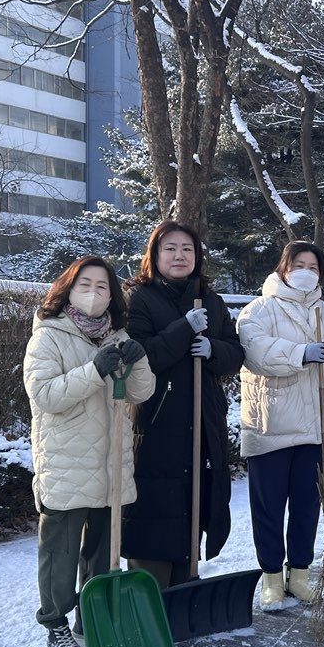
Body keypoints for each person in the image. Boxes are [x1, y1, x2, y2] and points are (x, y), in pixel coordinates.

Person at [23, 255, 155, 647]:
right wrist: (94, 371)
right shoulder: (48, 337)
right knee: (59, 551)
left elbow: (141, 393)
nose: (94, 294)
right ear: (67, 290)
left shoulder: (117, 337)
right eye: (85, 285)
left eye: (102, 287)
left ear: (112, 296)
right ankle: (55, 624)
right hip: (65, 464)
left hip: (110, 464)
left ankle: (91, 618)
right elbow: (45, 395)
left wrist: (138, 360)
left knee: (100, 553)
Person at [237, 241, 324, 610]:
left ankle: (299, 573)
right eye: (299, 264)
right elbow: (256, 351)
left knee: (307, 503)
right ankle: (270, 578)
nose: (306, 271)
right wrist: (300, 353)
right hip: (272, 425)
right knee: (268, 506)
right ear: (283, 267)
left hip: (315, 427)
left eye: (313, 267)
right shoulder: (260, 309)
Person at [122, 221, 245, 590]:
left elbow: (235, 352)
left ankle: (183, 586)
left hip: (203, 421)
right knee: (155, 507)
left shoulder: (211, 300)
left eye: (187, 249)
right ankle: (149, 594)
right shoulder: (138, 298)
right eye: (170, 248)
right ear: (154, 255)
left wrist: (213, 351)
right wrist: (183, 329)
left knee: (194, 503)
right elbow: (139, 356)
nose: (179, 256)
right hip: (157, 423)